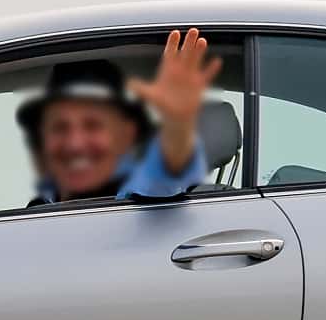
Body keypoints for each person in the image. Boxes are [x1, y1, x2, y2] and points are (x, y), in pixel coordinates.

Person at [19, 27, 224, 206]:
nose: (75, 144)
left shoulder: (141, 197)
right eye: (60, 127)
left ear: (127, 134)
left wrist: (176, 124)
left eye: (93, 125)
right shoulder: (35, 212)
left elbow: (165, 176)